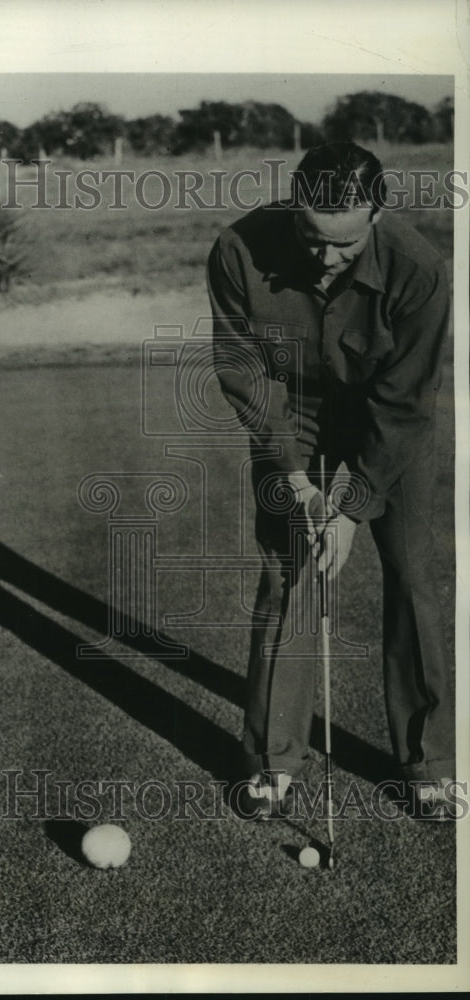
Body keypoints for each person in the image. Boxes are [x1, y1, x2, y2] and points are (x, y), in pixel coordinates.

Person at [207, 141, 455, 820]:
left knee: (410, 575)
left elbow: (404, 405)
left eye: (341, 248)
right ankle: (271, 760)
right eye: (311, 240)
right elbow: (244, 373)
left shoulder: (419, 270)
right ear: (293, 206)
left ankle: (428, 761)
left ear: (375, 213)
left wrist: (348, 508)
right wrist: (292, 476)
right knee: (291, 572)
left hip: (386, 419)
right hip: (294, 413)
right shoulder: (237, 249)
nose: (322, 260)